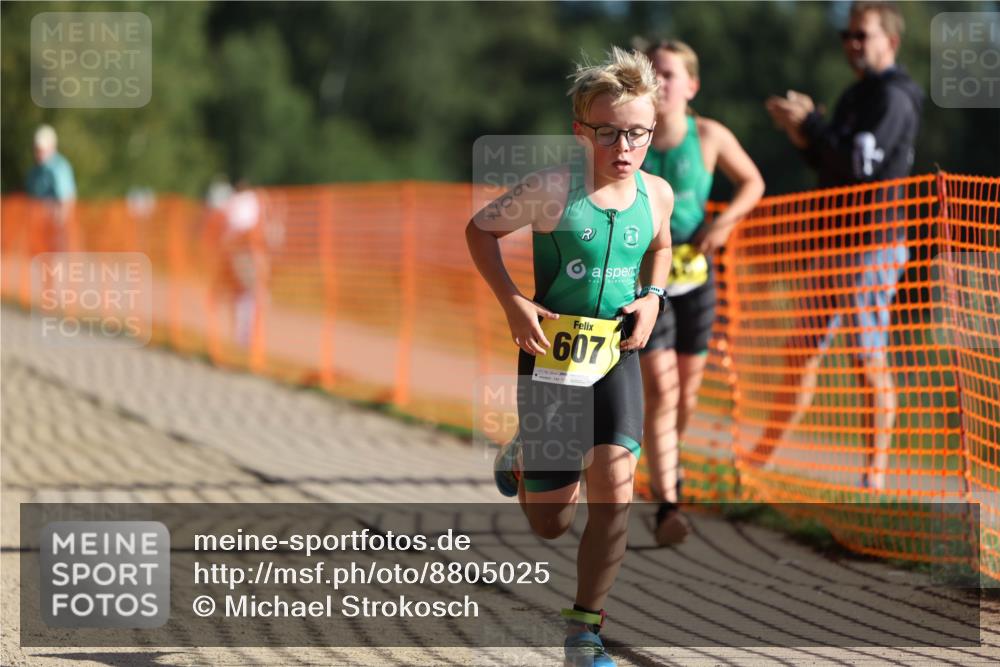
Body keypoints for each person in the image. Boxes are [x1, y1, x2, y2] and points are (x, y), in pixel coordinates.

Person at [467, 47, 673, 667]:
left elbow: (661, 246)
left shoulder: (656, 194)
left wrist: (654, 298)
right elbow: (480, 231)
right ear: (581, 132)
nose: (624, 145)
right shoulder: (553, 189)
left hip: (617, 352)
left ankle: (584, 631)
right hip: (552, 359)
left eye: (637, 132)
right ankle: (528, 453)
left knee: (616, 483)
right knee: (552, 523)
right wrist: (512, 302)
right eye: (609, 132)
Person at [758, 1, 922, 489]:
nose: (852, 44)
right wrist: (803, 134)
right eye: (846, 36)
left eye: (862, 35)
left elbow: (861, 165)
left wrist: (811, 124)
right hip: (833, 241)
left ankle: (874, 475)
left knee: (865, 355)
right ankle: (762, 457)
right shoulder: (857, 95)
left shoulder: (894, 96)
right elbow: (833, 167)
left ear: (890, 41)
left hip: (871, 244)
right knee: (800, 351)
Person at [639, 39, 764, 545]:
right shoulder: (631, 137)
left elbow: (752, 181)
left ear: (691, 85)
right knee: (662, 391)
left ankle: (669, 462)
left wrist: (727, 223)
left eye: (670, 74)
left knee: (685, 394)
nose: (661, 82)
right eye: (653, 73)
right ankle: (669, 504)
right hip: (647, 280)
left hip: (695, 278)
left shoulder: (708, 135)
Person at [26, 124, 76, 253]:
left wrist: (58, 228)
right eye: (37, 150)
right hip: (39, 226)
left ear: (52, 148)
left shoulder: (60, 168)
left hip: (57, 227)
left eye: (42, 150)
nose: (39, 153)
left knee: (55, 262)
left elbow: (65, 201)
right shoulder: (35, 171)